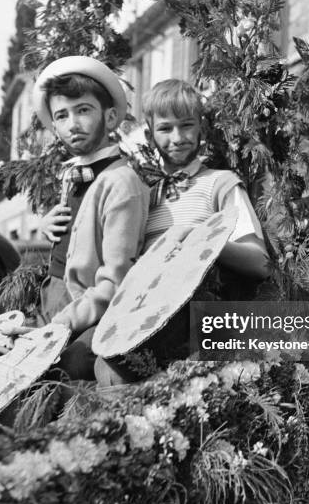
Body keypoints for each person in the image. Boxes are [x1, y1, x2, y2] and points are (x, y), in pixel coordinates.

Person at [94, 78, 269, 385]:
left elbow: (260, 263)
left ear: (201, 127)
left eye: (187, 125)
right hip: (146, 321)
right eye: (165, 129)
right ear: (150, 134)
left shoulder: (221, 183)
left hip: (201, 323)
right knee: (102, 367)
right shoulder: (145, 195)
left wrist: (203, 240)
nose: (177, 137)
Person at [0, 56, 150, 381]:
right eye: (62, 116)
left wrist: (59, 326)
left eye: (83, 110)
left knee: (53, 376)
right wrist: (48, 227)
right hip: (52, 302)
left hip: (87, 316)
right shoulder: (75, 175)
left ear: (110, 118)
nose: (73, 124)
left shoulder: (121, 182)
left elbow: (114, 284)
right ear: (54, 127)